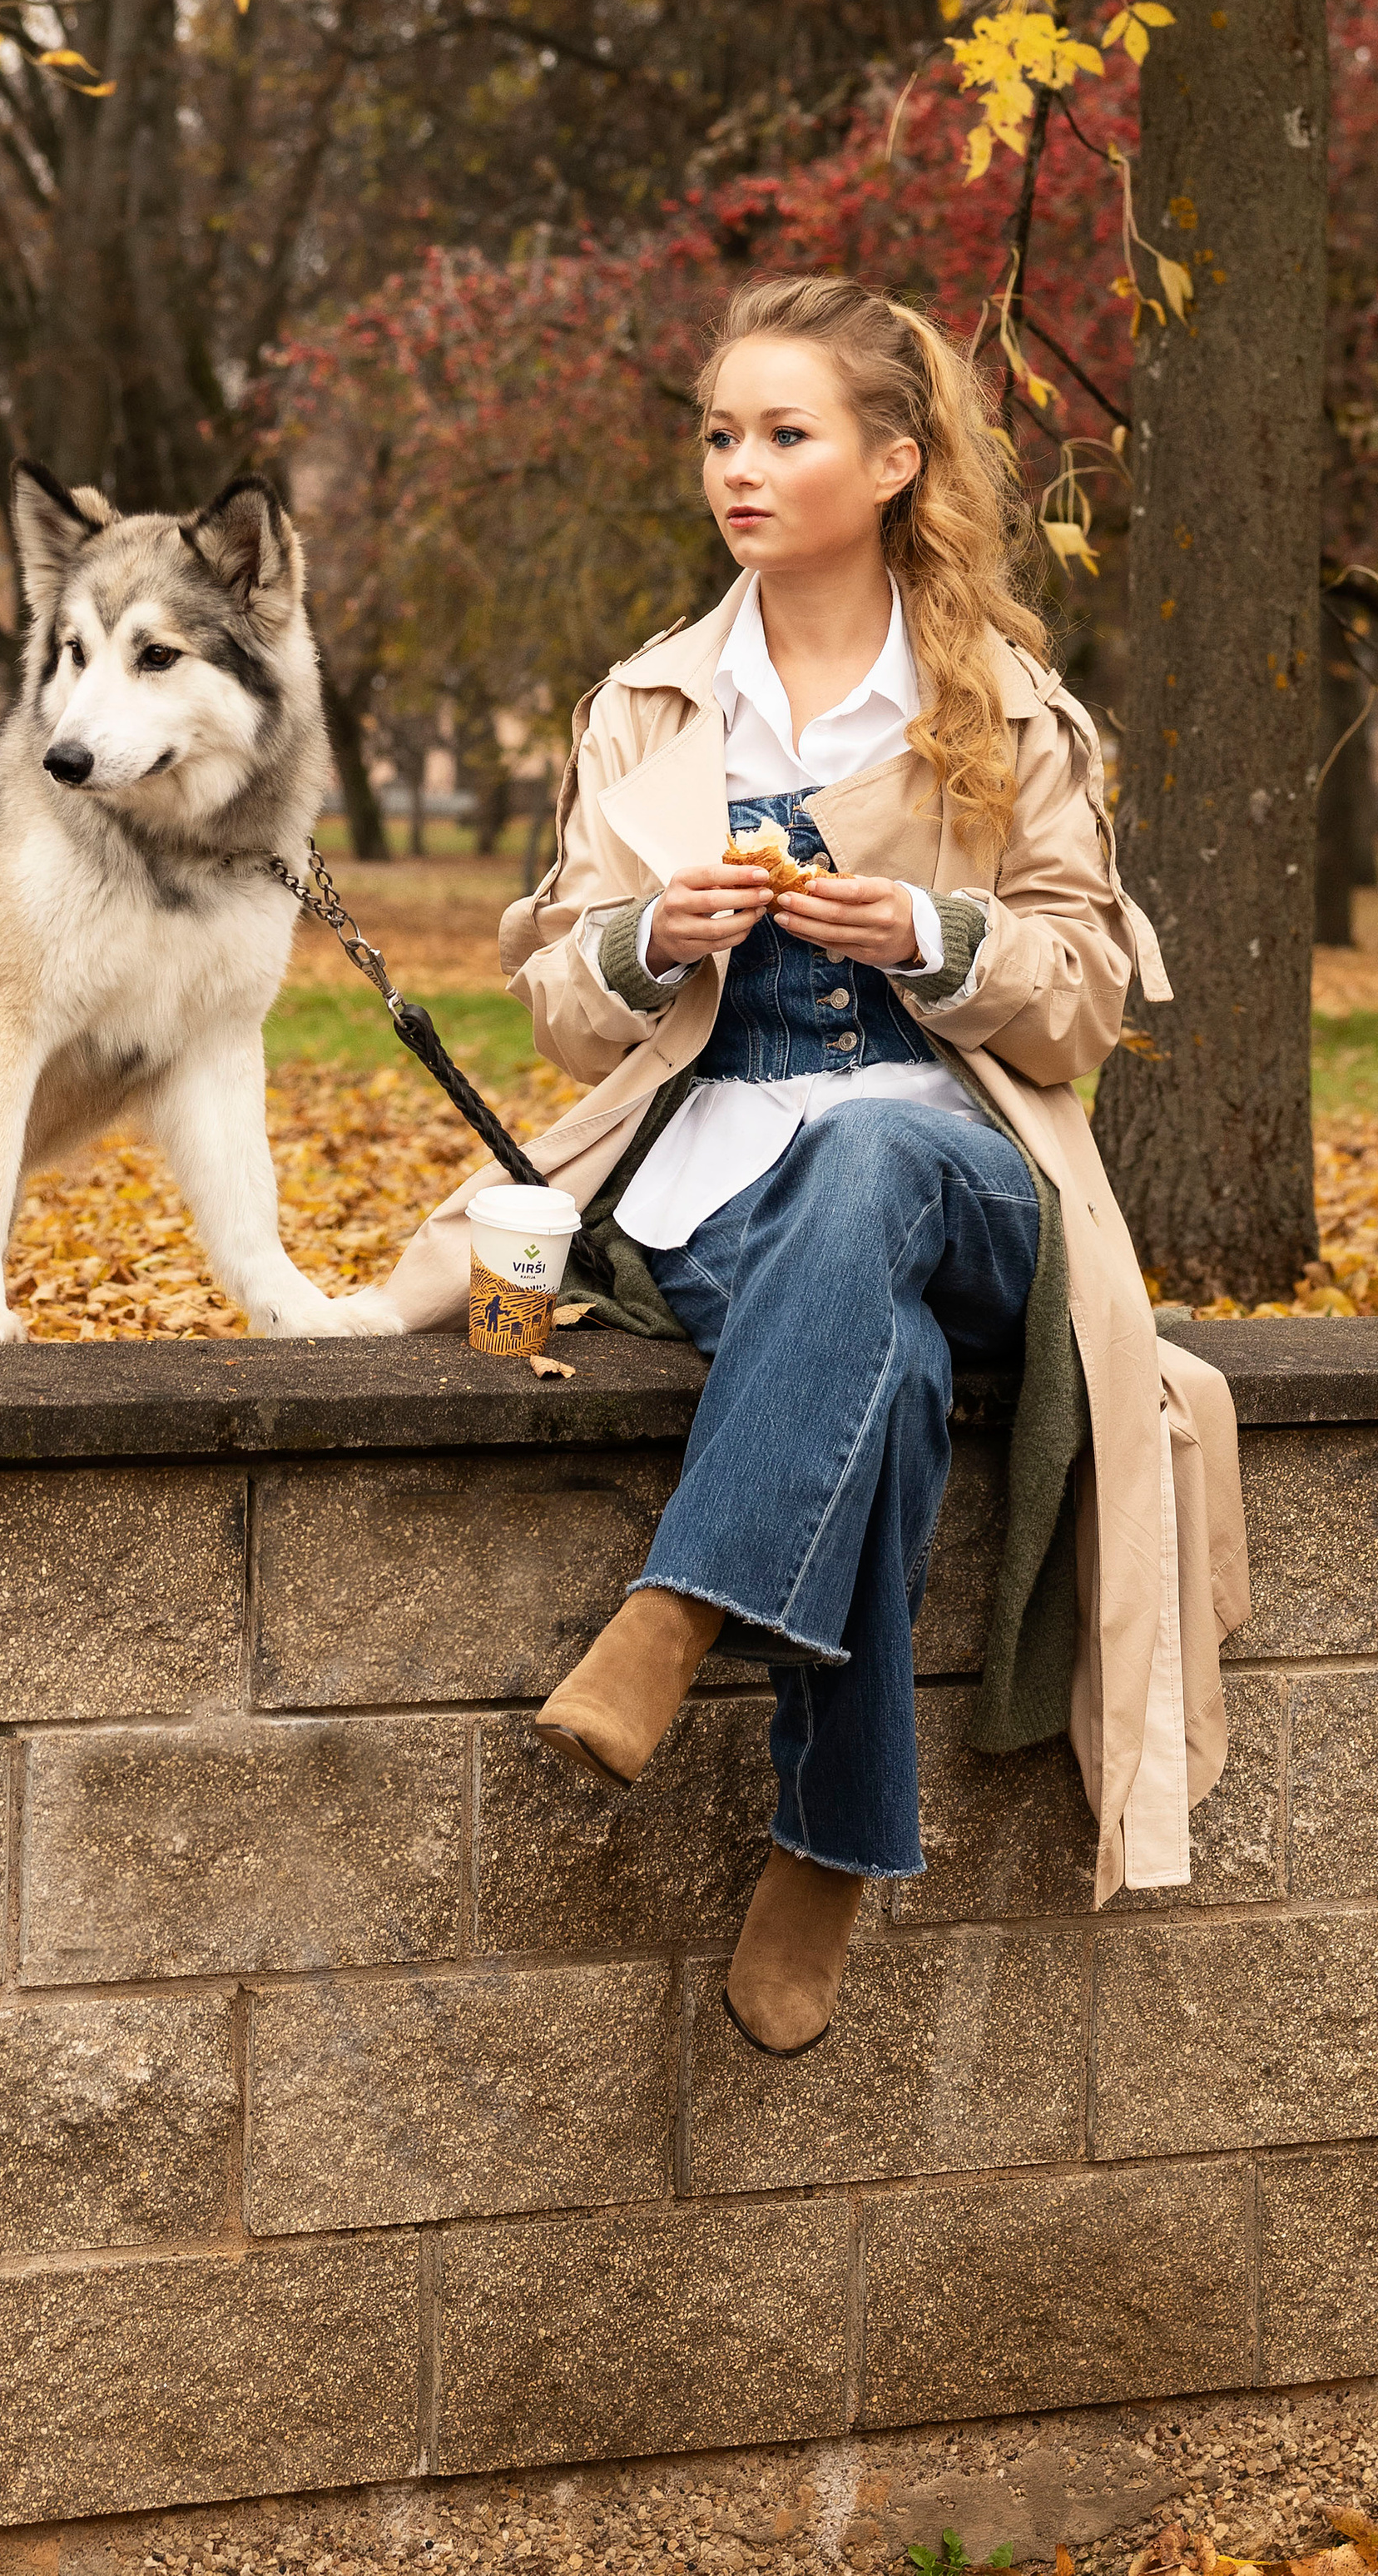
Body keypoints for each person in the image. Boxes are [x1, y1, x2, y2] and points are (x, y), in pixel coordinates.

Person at [380, 273, 1248, 2057]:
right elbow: (555, 1002)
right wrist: (648, 943)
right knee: (882, 1358)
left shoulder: (1002, 709)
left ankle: (679, 1606)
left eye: (784, 434)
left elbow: (1079, 1009)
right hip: (712, 1169)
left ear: (891, 462)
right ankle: (832, 1842)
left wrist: (934, 935)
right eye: (718, 433)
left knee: (869, 1164)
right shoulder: (645, 705)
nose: (738, 469)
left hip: (967, 1165)